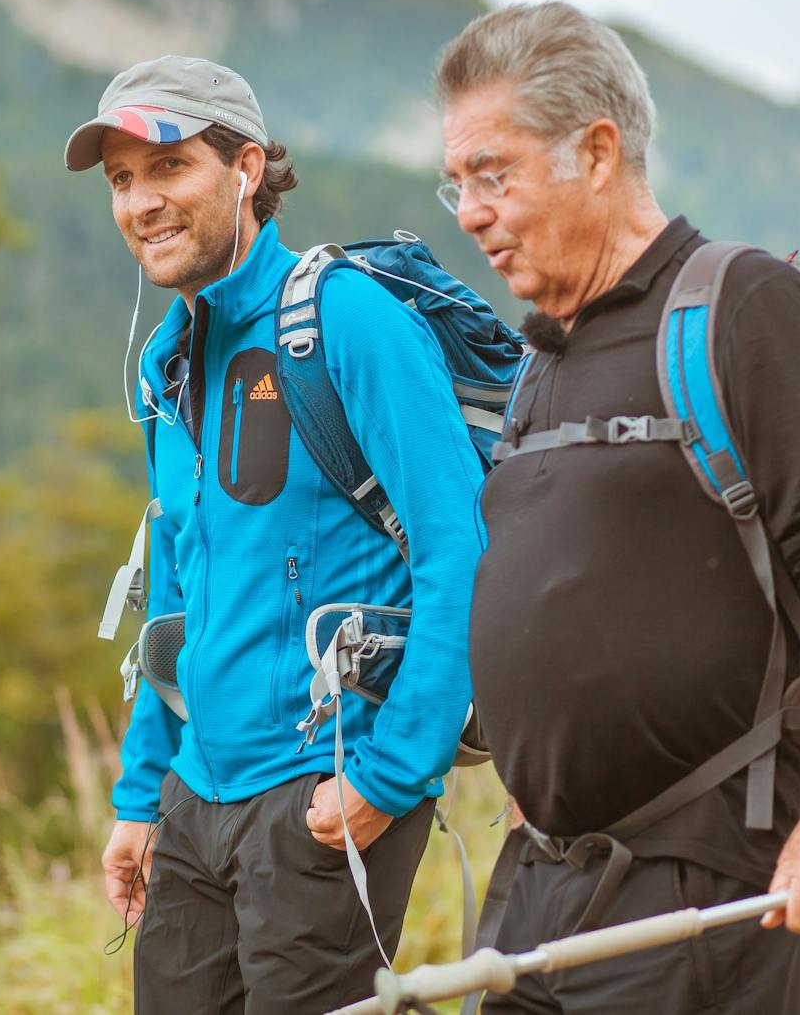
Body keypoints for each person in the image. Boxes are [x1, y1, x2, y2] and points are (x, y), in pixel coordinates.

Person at [434, 3, 800, 1012]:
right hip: (538, 884)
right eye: (456, 181)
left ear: (594, 153)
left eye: (491, 174)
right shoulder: (541, 359)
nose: (466, 211)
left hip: (694, 883)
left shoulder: (737, 304)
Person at [65, 55, 485, 1013]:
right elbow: (173, 590)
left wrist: (390, 775)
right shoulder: (166, 360)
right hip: (195, 793)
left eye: (167, 168)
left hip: (325, 788)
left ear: (245, 168)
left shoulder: (345, 319)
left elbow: (460, 549)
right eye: (122, 181)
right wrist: (141, 794)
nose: (140, 203)